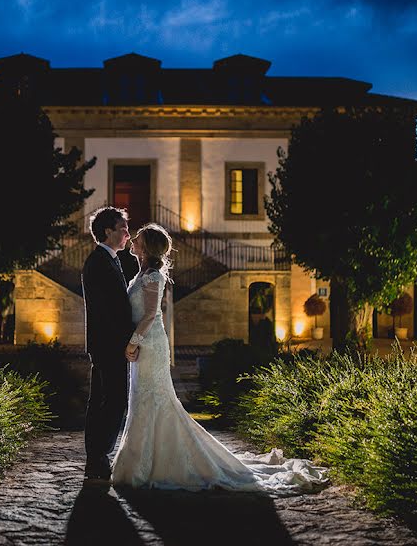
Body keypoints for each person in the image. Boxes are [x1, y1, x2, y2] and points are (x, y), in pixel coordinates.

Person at [111, 223, 329, 493]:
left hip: (150, 345)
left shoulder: (154, 276)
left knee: (153, 399)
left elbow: (150, 315)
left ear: (146, 247)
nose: (132, 240)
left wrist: (133, 343)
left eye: (138, 238)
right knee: (143, 400)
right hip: (144, 343)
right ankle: (143, 460)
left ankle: (149, 463)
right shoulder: (141, 273)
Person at [81, 206, 136, 482]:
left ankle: (97, 458)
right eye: (123, 228)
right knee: (113, 400)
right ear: (108, 231)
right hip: (109, 344)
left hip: (107, 344)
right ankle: (98, 456)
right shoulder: (99, 262)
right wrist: (128, 339)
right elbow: (108, 310)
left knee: (103, 401)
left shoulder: (110, 259)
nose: (128, 233)